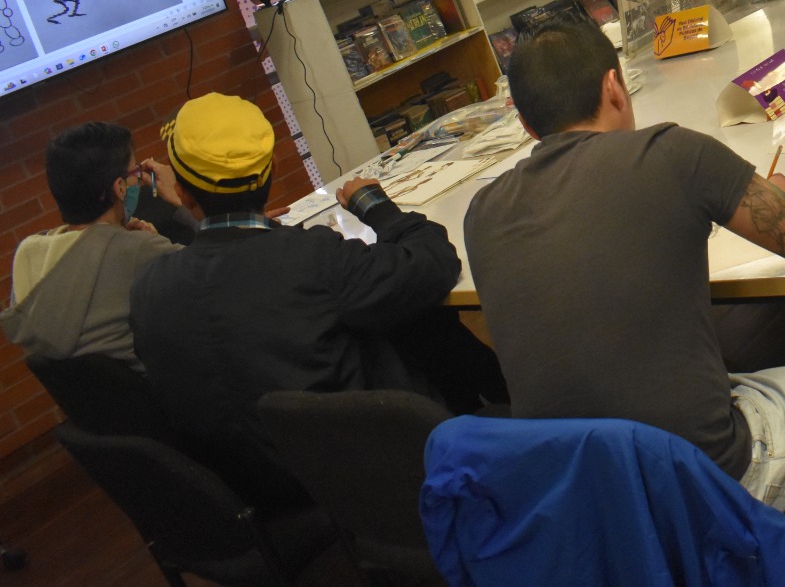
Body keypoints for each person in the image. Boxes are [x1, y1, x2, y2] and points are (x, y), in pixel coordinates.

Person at [464, 21, 785, 530]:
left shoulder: (482, 211)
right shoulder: (671, 153)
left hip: (582, 501)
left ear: (527, 127)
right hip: (703, 479)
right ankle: (776, 559)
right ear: (614, 87)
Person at [130, 93, 504, 505]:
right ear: (270, 169)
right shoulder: (312, 260)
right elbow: (433, 263)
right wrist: (377, 208)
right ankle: (513, 425)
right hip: (372, 473)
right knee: (420, 321)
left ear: (180, 193)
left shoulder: (149, 287)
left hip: (253, 492)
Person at [1, 123, 183, 367]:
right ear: (120, 188)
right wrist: (181, 200)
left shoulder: (28, 253)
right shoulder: (138, 250)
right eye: (134, 174)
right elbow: (218, 271)